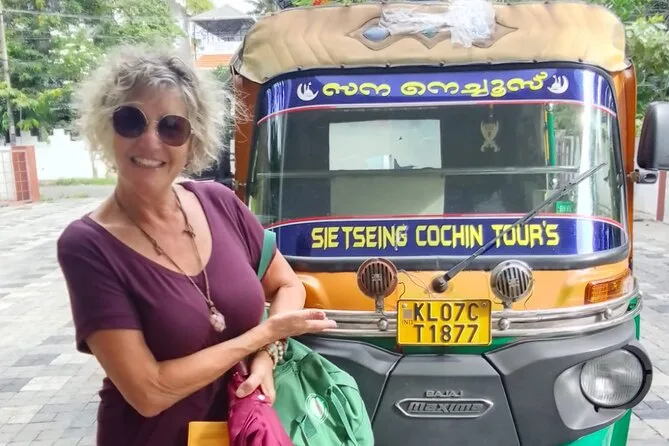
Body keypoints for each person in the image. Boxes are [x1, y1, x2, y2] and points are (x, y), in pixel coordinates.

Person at [56, 44, 336, 446]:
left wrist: (267, 356)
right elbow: (149, 391)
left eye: (171, 127)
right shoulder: (88, 246)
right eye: (131, 121)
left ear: (193, 140)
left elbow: (286, 284)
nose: (150, 142)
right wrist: (262, 336)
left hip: (245, 433)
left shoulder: (219, 203)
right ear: (106, 127)